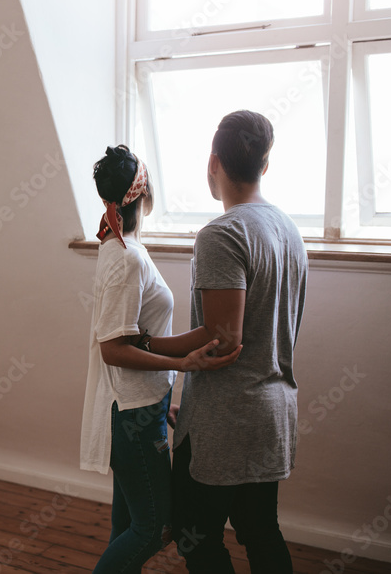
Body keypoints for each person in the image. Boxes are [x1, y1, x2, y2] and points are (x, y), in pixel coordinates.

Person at [146, 110, 308, 573]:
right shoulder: (288, 229)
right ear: (265, 165)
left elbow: (223, 339)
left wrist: (148, 345)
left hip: (227, 423)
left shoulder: (223, 233)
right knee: (261, 533)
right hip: (270, 415)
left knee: (196, 540)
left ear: (213, 162)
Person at [79, 145, 241, 574]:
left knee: (129, 524)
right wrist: (181, 365)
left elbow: (133, 337)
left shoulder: (120, 247)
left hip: (141, 407)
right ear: (144, 195)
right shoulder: (126, 257)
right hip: (131, 415)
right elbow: (112, 347)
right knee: (155, 528)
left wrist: (159, 396)